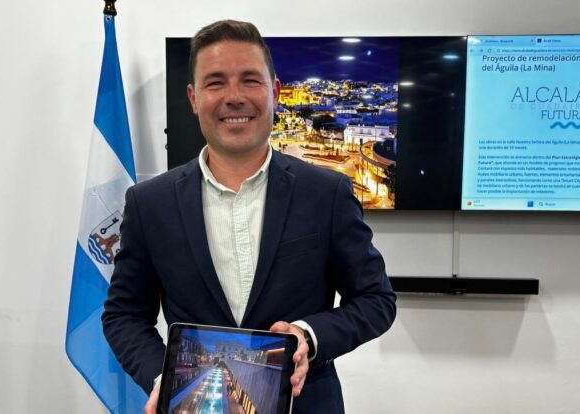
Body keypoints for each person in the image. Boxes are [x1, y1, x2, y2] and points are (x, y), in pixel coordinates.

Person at [102, 19, 396, 414]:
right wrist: (164, 378)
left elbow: (376, 301)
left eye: (250, 80)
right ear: (193, 98)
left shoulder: (327, 193)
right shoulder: (149, 203)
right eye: (215, 82)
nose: (234, 97)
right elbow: (123, 315)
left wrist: (308, 336)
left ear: (275, 92)